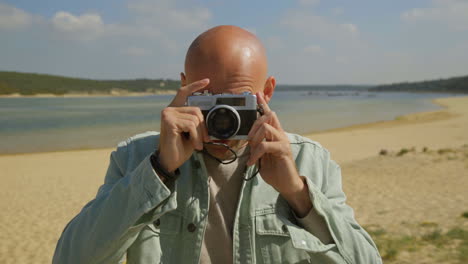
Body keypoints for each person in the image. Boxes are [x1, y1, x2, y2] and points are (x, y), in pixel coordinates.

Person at [53, 25, 382, 264]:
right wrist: (158, 171)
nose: (222, 116)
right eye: (209, 98)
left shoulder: (308, 161)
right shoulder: (137, 157)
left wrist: (297, 193)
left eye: (237, 100)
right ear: (185, 86)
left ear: (266, 92)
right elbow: (70, 258)